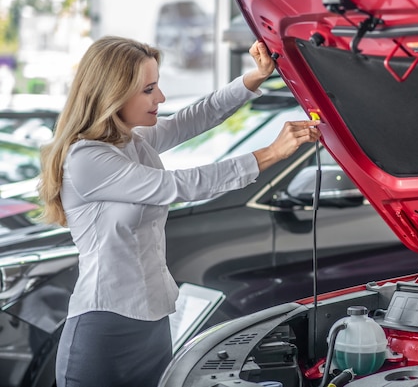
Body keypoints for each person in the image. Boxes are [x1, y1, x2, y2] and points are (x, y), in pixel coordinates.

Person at [37, 36, 321, 387]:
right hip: (103, 330)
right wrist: (271, 153)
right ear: (113, 93)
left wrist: (254, 78)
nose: (161, 98)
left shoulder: (131, 141)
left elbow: (194, 118)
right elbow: (179, 186)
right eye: (149, 89)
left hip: (153, 322)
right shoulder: (86, 159)